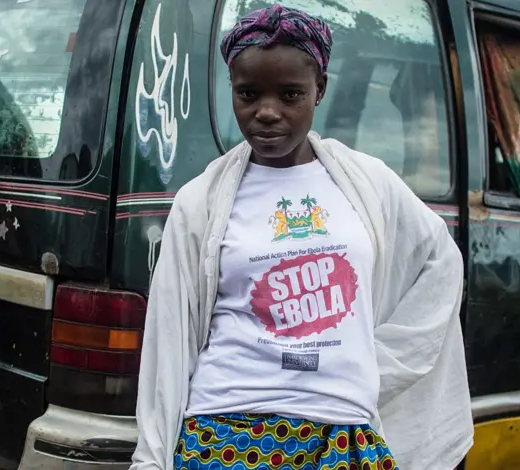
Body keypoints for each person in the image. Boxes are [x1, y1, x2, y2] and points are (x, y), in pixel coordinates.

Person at [131, 4, 473, 470]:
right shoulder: (201, 201)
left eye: (290, 94)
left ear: (320, 90)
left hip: (344, 437)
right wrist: (151, 458)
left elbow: (439, 262)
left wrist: (376, 365)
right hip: (227, 438)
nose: (266, 113)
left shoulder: (367, 182)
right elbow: (167, 337)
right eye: (248, 94)